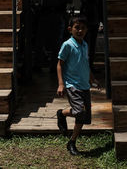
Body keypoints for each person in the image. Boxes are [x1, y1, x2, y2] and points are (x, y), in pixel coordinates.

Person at [56, 15, 97, 156]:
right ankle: (72, 143)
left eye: (83, 28)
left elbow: (85, 64)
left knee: (84, 116)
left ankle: (62, 114)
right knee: (80, 112)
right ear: (70, 29)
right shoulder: (67, 45)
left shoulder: (85, 44)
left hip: (85, 85)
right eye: (77, 28)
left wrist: (91, 78)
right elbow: (59, 65)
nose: (80, 31)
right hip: (72, 84)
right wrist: (61, 84)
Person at [34, 0, 73, 72]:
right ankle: (54, 66)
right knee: (57, 41)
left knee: (40, 40)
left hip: (45, 13)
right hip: (59, 14)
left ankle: (38, 63)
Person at [80, 0, 103, 71]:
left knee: (89, 44)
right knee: (88, 44)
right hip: (90, 21)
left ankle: (88, 65)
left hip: (92, 20)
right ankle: (87, 65)